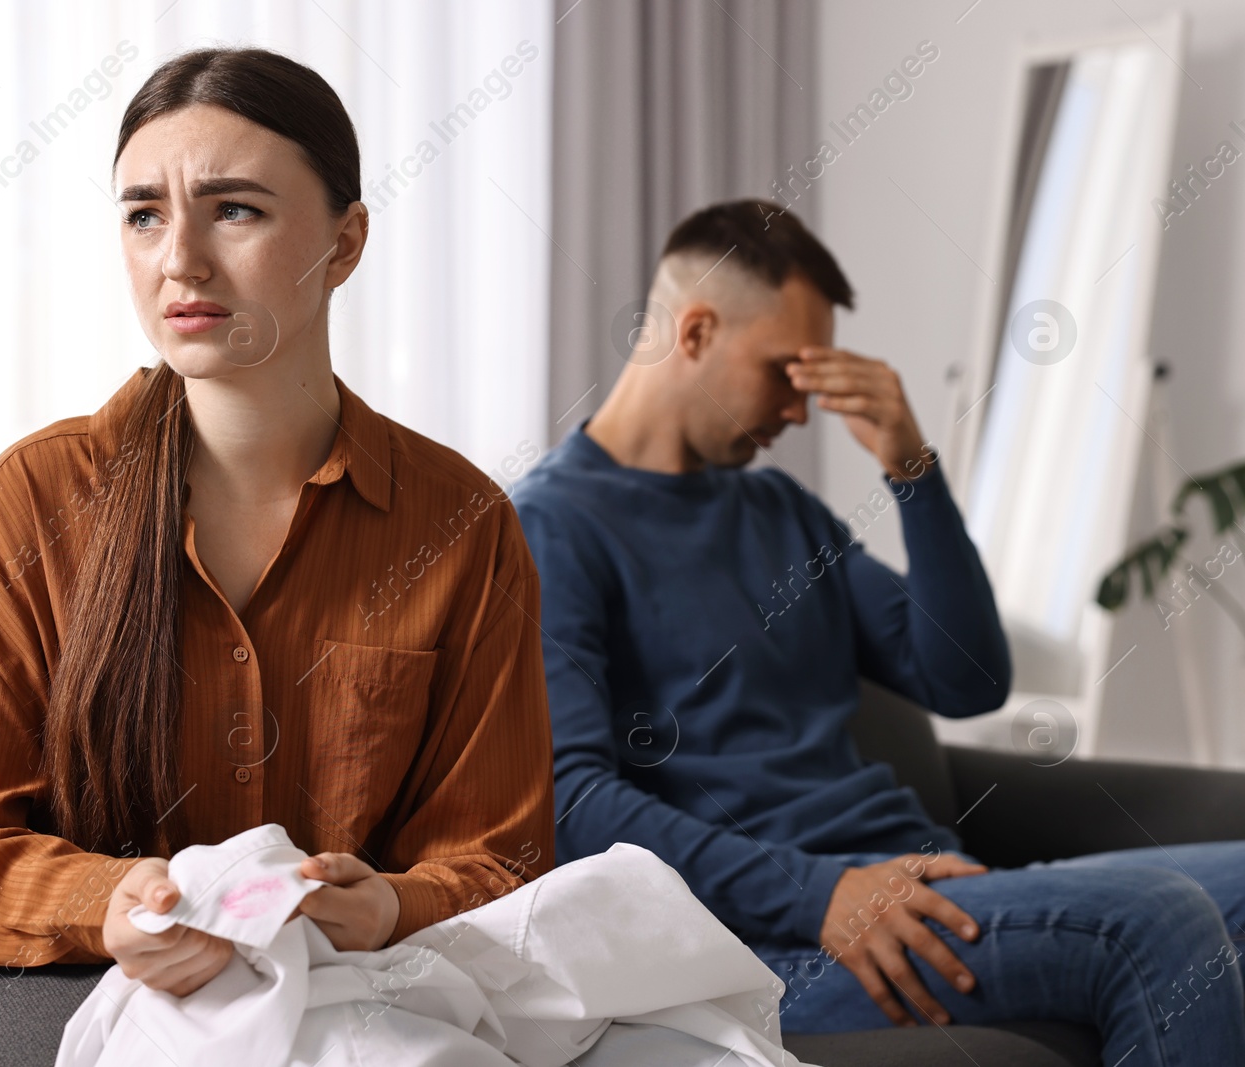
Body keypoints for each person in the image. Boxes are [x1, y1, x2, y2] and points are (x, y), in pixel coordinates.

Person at [0, 48, 555, 1001]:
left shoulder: (463, 525)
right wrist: (109, 898)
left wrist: (389, 905)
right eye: (144, 214)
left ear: (344, 244)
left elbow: (502, 861)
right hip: (81, 1016)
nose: (178, 258)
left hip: (366, 1017)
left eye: (235, 210)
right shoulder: (34, 502)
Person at [510, 198, 1245, 1063]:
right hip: (780, 941)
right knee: (1156, 924)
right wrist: (819, 891)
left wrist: (911, 468)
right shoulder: (551, 527)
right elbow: (572, 803)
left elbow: (968, 677)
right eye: (787, 370)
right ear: (697, 331)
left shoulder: (778, 506)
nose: (802, 406)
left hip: (930, 888)